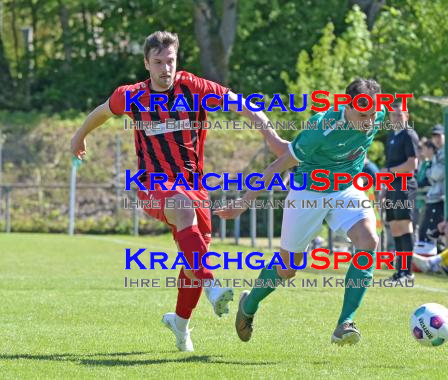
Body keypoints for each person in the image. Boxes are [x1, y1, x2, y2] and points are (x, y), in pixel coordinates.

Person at [70, 31, 288, 352]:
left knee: (191, 259)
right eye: (157, 62)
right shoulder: (132, 96)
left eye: (170, 61)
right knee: (181, 207)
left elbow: (243, 105)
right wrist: (79, 137)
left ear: (177, 60)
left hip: (194, 186)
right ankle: (213, 285)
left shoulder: (195, 88)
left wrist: (270, 137)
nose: (165, 68)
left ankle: (181, 323)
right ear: (146, 63)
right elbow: (103, 111)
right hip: (152, 184)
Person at [216, 78, 385, 346]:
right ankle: (249, 303)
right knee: (288, 268)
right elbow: (276, 167)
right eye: (363, 115)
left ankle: (345, 323)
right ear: (346, 106)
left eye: (373, 114)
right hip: (309, 192)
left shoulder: (377, 113)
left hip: (346, 188)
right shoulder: (320, 129)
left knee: (369, 241)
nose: (370, 120)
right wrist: (243, 202)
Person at [382, 102, 419, 282]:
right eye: (393, 115)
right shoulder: (390, 136)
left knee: (405, 225)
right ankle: (399, 271)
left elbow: (412, 165)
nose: (395, 118)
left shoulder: (409, 135)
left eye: (399, 115)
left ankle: (408, 272)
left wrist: (390, 173)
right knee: (395, 227)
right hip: (392, 186)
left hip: (405, 186)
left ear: (406, 116)